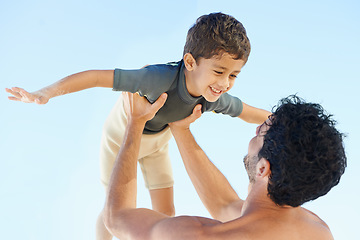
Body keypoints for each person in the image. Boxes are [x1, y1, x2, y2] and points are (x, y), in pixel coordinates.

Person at [5, 13, 270, 240]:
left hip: (157, 144)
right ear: (190, 62)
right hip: (120, 141)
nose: (225, 83)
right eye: (219, 71)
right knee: (115, 210)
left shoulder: (212, 96)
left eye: (233, 75)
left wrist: (285, 119)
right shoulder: (156, 79)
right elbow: (97, 77)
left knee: (166, 212)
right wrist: (46, 92)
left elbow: (248, 113)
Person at [104, 92, 346, 240]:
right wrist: (181, 129)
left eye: (260, 133)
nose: (254, 131)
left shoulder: (199, 236)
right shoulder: (318, 231)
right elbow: (225, 205)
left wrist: (135, 123)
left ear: (263, 169)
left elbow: (118, 219)